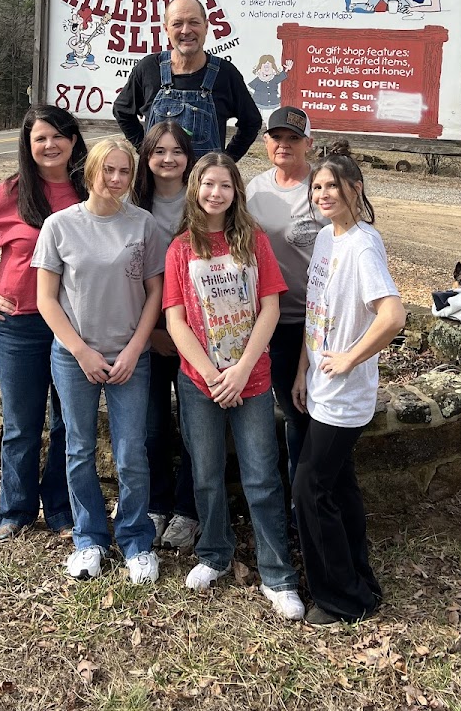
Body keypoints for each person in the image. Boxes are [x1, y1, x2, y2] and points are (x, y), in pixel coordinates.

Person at [163, 152, 305, 621]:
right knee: (205, 474)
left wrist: (242, 370)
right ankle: (214, 553)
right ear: (195, 189)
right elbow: (175, 319)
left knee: (261, 477)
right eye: (208, 184)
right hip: (199, 382)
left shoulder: (253, 240)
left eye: (225, 185)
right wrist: (210, 374)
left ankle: (277, 574)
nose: (216, 193)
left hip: (252, 379)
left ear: (235, 192)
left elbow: (270, 308)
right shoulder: (181, 248)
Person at [0, 105, 88, 543]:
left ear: (73, 140)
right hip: (21, 325)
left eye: (58, 135)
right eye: (40, 138)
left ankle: (62, 508)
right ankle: (16, 510)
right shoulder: (11, 193)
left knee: (68, 424)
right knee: (22, 424)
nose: (50, 145)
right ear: (28, 146)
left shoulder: (90, 188)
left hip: (76, 324)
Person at [32, 137, 167, 584]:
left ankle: (135, 540)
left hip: (130, 356)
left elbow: (155, 293)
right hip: (75, 356)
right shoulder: (59, 226)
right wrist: (80, 351)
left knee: (131, 453)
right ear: (90, 171)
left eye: (124, 171)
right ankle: (89, 538)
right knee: (78, 448)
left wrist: (134, 348)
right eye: (108, 169)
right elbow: (47, 299)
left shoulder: (143, 225)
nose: (116, 179)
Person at [291, 145, 406, 626]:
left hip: (345, 395)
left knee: (309, 488)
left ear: (355, 189)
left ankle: (342, 598)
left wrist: (350, 357)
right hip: (319, 386)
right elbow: (316, 310)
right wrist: (304, 368)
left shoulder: (362, 245)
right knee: (339, 486)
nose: (322, 194)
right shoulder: (326, 238)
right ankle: (359, 580)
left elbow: (393, 316)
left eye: (332, 186)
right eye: (317, 187)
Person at [245, 107, 326, 485]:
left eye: (293, 138)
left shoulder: (322, 187)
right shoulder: (255, 189)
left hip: (312, 321)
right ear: (265, 142)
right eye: (276, 137)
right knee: (286, 409)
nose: (283, 145)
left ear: (309, 143)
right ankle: (296, 497)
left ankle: (309, 497)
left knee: (307, 410)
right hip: (265, 320)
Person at [133, 119, 200, 552]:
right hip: (148, 332)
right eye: (159, 151)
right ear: (147, 157)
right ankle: (157, 503)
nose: (168, 159)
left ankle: (189, 510)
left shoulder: (204, 201)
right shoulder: (133, 204)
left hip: (201, 335)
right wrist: (152, 332)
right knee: (152, 426)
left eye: (177, 151)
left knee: (196, 427)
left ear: (189, 158)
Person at [112, 0, 262, 159]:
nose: (186, 30)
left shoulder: (225, 74)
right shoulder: (148, 69)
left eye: (194, 22)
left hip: (205, 175)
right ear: (166, 29)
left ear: (206, 26)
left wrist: (226, 162)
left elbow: (251, 122)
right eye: (177, 24)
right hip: (158, 176)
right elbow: (122, 111)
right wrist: (145, 150)